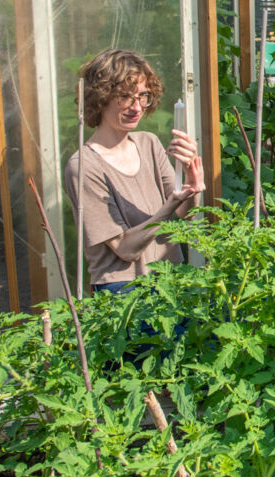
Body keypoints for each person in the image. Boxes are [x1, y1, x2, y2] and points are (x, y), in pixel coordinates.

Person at [65, 49, 204, 294]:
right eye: (125, 97)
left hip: (170, 274)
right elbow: (125, 249)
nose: (136, 107)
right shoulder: (85, 166)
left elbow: (186, 213)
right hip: (123, 288)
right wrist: (169, 207)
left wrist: (192, 184)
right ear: (100, 98)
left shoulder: (148, 143)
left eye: (143, 96)